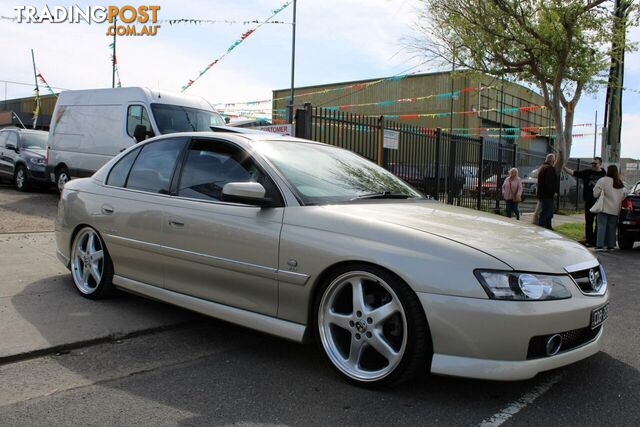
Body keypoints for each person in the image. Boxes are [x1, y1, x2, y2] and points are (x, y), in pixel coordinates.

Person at [564, 157, 606, 246]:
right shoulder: (587, 172)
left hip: (600, 202)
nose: (593, 165)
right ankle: (589, 240)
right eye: (592, 164)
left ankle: (596, 240)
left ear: (600, 164)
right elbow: (574, 173)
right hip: (589, 201)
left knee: (599, 222)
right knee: (589, 222)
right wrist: (563, 167)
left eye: (595, 164)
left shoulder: (604, 174)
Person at [593, 165, 628, 251]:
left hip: (604, 207)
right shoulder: (620, 183)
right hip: (615, 209)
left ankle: (600, 245)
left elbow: (595, 193)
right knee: (612, 227)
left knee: (601, 226)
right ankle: (611, 245)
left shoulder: (603, 180)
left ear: (608, 171)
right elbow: (624, 194)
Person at [536, 153, 557, 229]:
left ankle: (548, 226)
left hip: (542, 193)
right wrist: (553, 192)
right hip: (547, 194)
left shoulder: (542, 167)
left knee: (548, 212)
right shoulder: (550, 169)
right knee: (546, 212)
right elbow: (549, 183)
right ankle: (542, 227)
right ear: (552, 160)